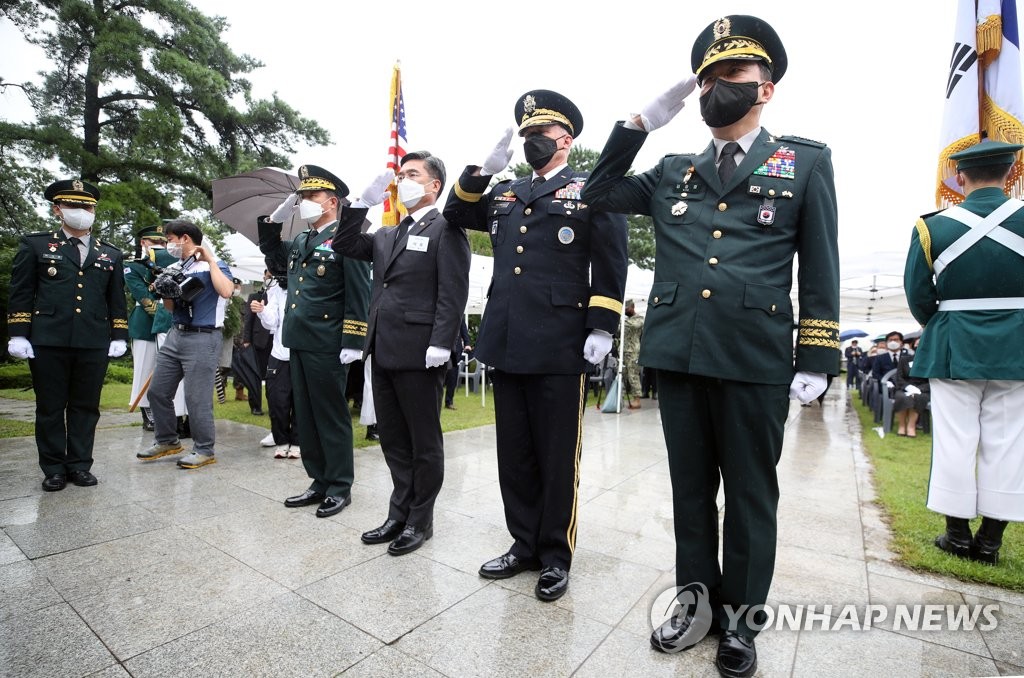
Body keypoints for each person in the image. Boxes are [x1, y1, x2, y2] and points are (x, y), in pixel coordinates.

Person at [581, 15, 840, 677]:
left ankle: (742, 623)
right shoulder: (672, 169)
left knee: (752, 495)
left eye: (733, 74)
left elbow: (821, 265)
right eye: (708, 78)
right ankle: (694, 607)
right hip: (681, 352)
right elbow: (598, 192)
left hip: (754, 356)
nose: (718, 86)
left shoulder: (804, 162)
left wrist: (815, 356)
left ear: (766, 88)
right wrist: (639, 122)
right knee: (690, 492)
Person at [443, 90, 628, 601]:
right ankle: (522, 544)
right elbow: (456, 212)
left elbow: (612, 263)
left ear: (564, 139)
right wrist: (482, 169)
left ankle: (554, 554)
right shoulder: (506, 193)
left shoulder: (592, 189)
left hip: (560, 344)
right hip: (507, 340)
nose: (531, 143)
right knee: (515, 454)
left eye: (539, 135)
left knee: (555, 453)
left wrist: (602, 326)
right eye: (525, 136)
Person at [333, 151, 471, 555]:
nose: (403, 180)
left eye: (412, 174)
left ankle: (420, 520)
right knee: (393, 438)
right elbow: (344, 243)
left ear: (434, 186)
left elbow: (453, 291)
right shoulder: (388, 232)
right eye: (401, 174)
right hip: (384, 347)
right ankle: (398, 512)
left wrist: (441, 342)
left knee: (423, 442)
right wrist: (360, 204)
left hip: (421, 350)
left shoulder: (447, 227)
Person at [904, 139, 1024, 566]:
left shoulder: (932, 226)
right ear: (1011, 172)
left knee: (956, 439)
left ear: (959, 177)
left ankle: (957, 535)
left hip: (955, 341)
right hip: (1018, 344)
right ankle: (990, 542)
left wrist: (946, 323)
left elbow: (918, 295)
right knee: (1010, 441)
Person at [259, 164, 371, 518]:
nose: (305, 201)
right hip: (298, 339)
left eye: (311, 195)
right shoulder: (303, 241)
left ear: (332, 202)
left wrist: (353, 340)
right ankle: (318, 480)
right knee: (305, 415)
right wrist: (274, 219)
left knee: (330, 415)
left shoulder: (346, 238)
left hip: (328, 342)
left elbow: (359, 292)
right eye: (301, 196)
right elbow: (273, 254)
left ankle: (339, 485)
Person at [7, 178, 129, 491]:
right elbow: (21, 291)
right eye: (74, 205)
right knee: (50, 407)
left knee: (86, 407)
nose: (82, 211)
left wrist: (118, 335)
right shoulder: (36, 245)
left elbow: (116, 299)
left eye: (87, 206)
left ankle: (79, 465)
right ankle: (53, 468)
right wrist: (18, 333)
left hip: (93, 340)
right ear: (57, 209)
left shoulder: (111, 254)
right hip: (48, 339)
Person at [136, 219, 234, 469]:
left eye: (170, 239)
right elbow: (170, 308)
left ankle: (204, 449)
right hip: (176, 334)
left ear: (185, 239)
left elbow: (226, 291)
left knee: (196, 397)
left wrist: (210, 260)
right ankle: (168, 440)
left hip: (203, 336)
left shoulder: (214, 264)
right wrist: (165, 291)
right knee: (157, 391)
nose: (168, 244)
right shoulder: (177, 266)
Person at [124, 224, 173, 430]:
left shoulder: (170, 262)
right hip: (144, 322)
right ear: (143, 243)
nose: (160, 247)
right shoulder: (133, 266)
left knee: (169, 371)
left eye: (163, 243)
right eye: (155, 243)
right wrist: (163, 313)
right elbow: (141, 294)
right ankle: (147, 412)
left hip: (167, 320)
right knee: (144, 369)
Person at [250, 264, 299, 459]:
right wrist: (262, 310)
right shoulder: (277, 290)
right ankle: (281, 440)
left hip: (302, 353)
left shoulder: (309, 287)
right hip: (279, 354)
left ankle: (297, 441)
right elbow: (272, 321)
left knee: (300, 402)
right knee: (277, 400)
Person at [242, 271, 274, 415]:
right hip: (259, 341)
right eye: (268, 276)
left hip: (277, 342)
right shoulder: (255, 296)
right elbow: (248, 320)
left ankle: (274, 404)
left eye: (273, 277)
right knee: (255, 374)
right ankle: (256, 406)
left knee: (273, 376)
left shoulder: (285, 295)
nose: (270, 279)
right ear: (264, 278)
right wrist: (247, 340)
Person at [891, 338, 929, 437]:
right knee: (902, 397)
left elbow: (932, 381)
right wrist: (908, 387)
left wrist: (919, 389)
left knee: (918, 397)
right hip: (904, 387)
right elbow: (899, 377)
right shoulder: (904, 359)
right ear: (913, 345)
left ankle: (911, 426)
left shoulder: (931, 362)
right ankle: (902, 425)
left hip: (922, 389)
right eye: (917, 343)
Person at [444, 319, 472, 410]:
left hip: (455, 350)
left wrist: (467, 343)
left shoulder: (459, 313)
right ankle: (434, 401)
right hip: (442, 347)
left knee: (452, 376)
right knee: (438, 376)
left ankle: (449, 402)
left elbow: (464, 330)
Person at [623, 299, 645, 408]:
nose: (625, 311)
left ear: (632, 307)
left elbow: (634, 326)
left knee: (633, 375)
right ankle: (620, 399)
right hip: (622, 351)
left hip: (633, 352)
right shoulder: (625, 321)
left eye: (627, 309)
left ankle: (637, 399)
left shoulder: (639, 319)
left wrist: (620, 322)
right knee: (622, 375)